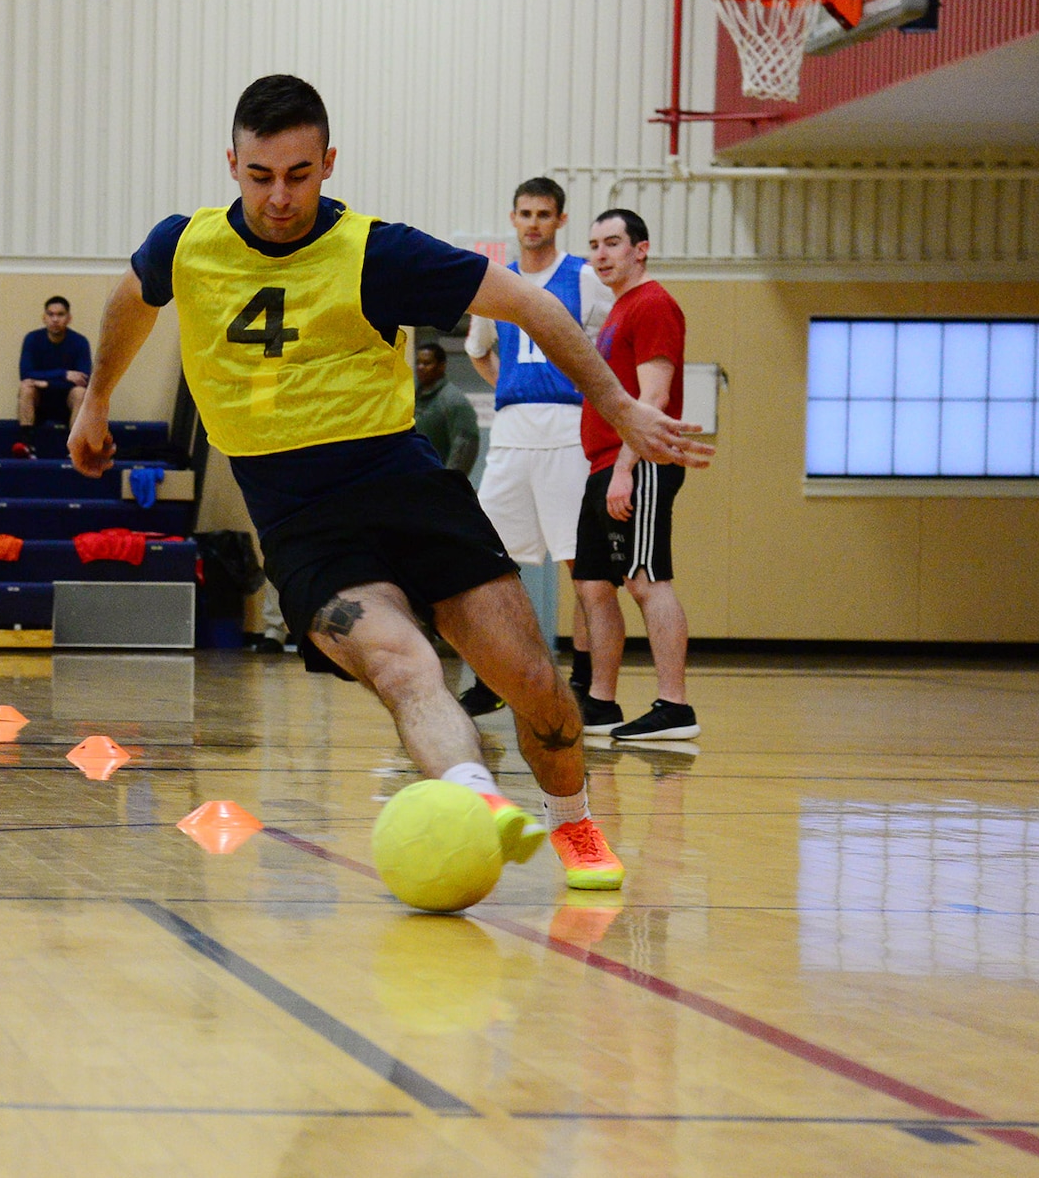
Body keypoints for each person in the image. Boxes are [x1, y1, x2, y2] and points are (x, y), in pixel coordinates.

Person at [70, 76, 709, 890]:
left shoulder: (377, 251)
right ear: (231, 163)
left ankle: (574, 821)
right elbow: (132, 301)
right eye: (260, 175)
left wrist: (616, 404)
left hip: (402, 484)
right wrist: (96, 397)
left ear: (328, 162)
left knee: (537, 687)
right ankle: (476, 800)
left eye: (299, 175)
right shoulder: (184, 245)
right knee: (405, 667)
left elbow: (530, 305)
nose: (278, 197)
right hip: (299, 515)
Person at [458, 177, 615, 717]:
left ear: (560, 220)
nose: (533, 223)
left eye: (543, 214)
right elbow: (479, 351)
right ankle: (491, 679)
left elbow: (607, 348)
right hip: (511, 433)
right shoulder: (495, 282)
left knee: (580, 564)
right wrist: (510, 383)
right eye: (525, 213)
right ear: (513, 217)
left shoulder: (585, 278)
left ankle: (586, 678)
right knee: (488, 561)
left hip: (568, 431)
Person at [575, 210, 700, 742]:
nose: (601, 254)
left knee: (646, 581)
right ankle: (601, 705)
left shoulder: (653, 304)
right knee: (592, 584)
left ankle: (674, 707)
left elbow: (653, 397)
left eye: (613, 244)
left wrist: (627, 468)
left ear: (640, 249)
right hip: (602, 465)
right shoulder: (618, 309)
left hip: (637, 464)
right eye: (594, 245)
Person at [14, 295, 91, 456]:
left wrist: (47, 383)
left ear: (69, 318)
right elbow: (26, 374)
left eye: (60, 314)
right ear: (44, 318)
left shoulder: (80, 342)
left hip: (67, 404)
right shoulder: (32, 339)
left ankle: (74, 448)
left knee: (80, 393)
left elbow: (85, 380)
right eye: (51, 314)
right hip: (40, 401)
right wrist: (64, 374)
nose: (55, 319)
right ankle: (26, 444)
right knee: (26, 387)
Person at [411, 341, 478, 476]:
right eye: (418, 363)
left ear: (441, 366)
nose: (420, 367)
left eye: (427, 363)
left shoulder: (453, 400)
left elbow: (464, 446)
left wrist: (449, 483)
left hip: (437, 483)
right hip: (411, 480)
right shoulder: (410, 397)